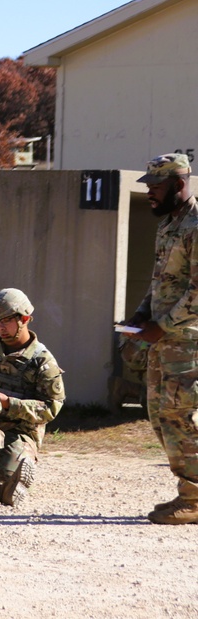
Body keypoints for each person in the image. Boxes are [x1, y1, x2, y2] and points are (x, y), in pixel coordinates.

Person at [121, 153, 198, 525]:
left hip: (187, 342)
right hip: (163, 339)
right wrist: (141, 314)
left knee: (184, 415)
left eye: (156, 186)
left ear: (179, 184)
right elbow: (161, 282)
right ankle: (189, 491)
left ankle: (197, 497)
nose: (150, 192)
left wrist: (162, 325)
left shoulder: (197, 225)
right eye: (148, 186)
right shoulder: (169, 225)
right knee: (161, 414)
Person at [0, 288, 64, 507]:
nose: (0, 327)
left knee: (5, 473)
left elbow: (50, 408)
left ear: (24, 318)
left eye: (6, 321)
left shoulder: (42, 361)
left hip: (18, 431)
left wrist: (7, 403)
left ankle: (1, 486)